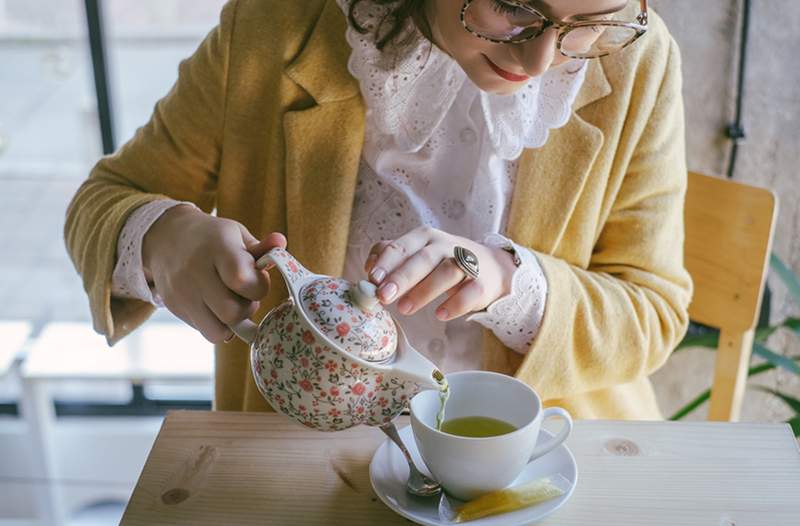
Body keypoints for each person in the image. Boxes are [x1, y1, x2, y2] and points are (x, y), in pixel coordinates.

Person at [65, 0, 692, 419]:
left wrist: (509, 281)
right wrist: (164, 239)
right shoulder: (276, 22)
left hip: (550, 448)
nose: (539, 62)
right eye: (510, 5)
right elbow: (104, 199)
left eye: (591, 24)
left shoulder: (637, 56)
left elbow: (653, 310)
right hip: (294, 450)